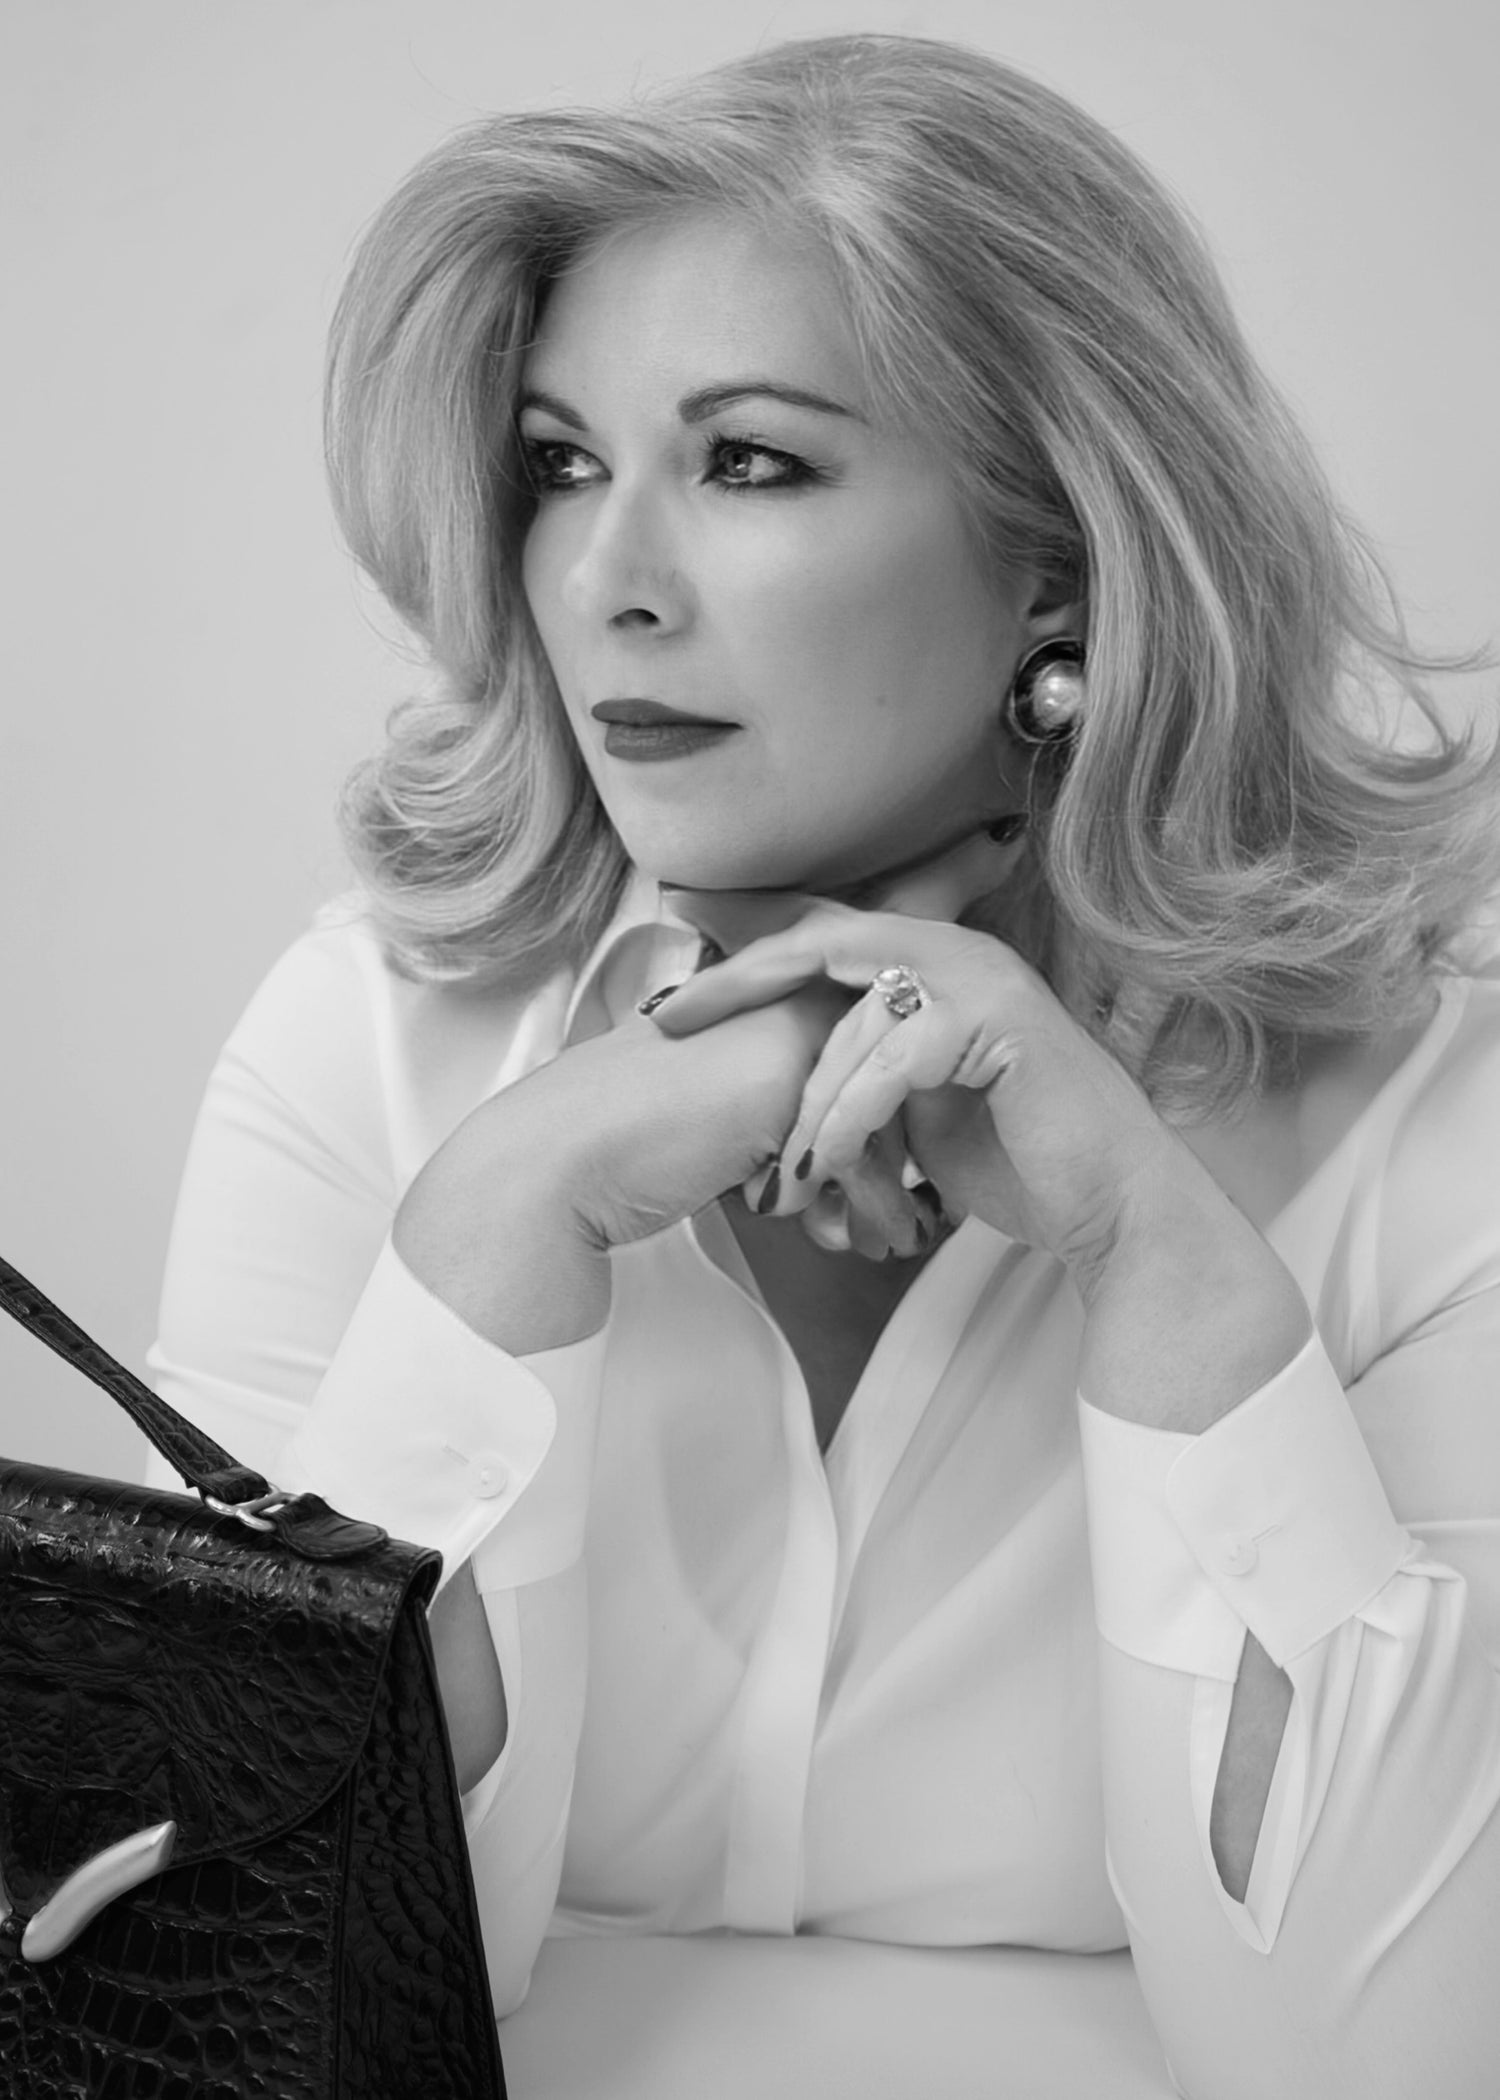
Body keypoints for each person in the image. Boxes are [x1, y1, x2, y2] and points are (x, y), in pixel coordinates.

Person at [146, 32, 1500, 2098]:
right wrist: (504, 1222)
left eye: (750, 462)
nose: (607, 581)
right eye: (561, 464)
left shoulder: (1424, 1115)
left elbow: (1369, 2054)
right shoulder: (372, 1045)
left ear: (1063, 556)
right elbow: (260, 2008)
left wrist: (1155, 1241)